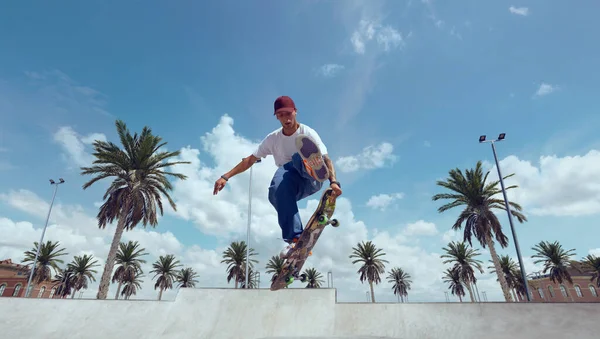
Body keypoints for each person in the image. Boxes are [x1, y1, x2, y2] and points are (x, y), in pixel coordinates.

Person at [213, 95, 342, 258]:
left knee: (296, 158)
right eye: (281, 115)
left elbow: (327, 158)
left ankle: (310, 166)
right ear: (277, 117)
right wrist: (226, 176)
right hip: (293, 182)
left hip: (313, 180)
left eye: (288, 114)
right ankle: (295, 239)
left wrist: (334, 183)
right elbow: (250, 160)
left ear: (295, 112)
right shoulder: (272, 139)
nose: (286, 119)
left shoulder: (307, 133)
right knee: (275, 192)